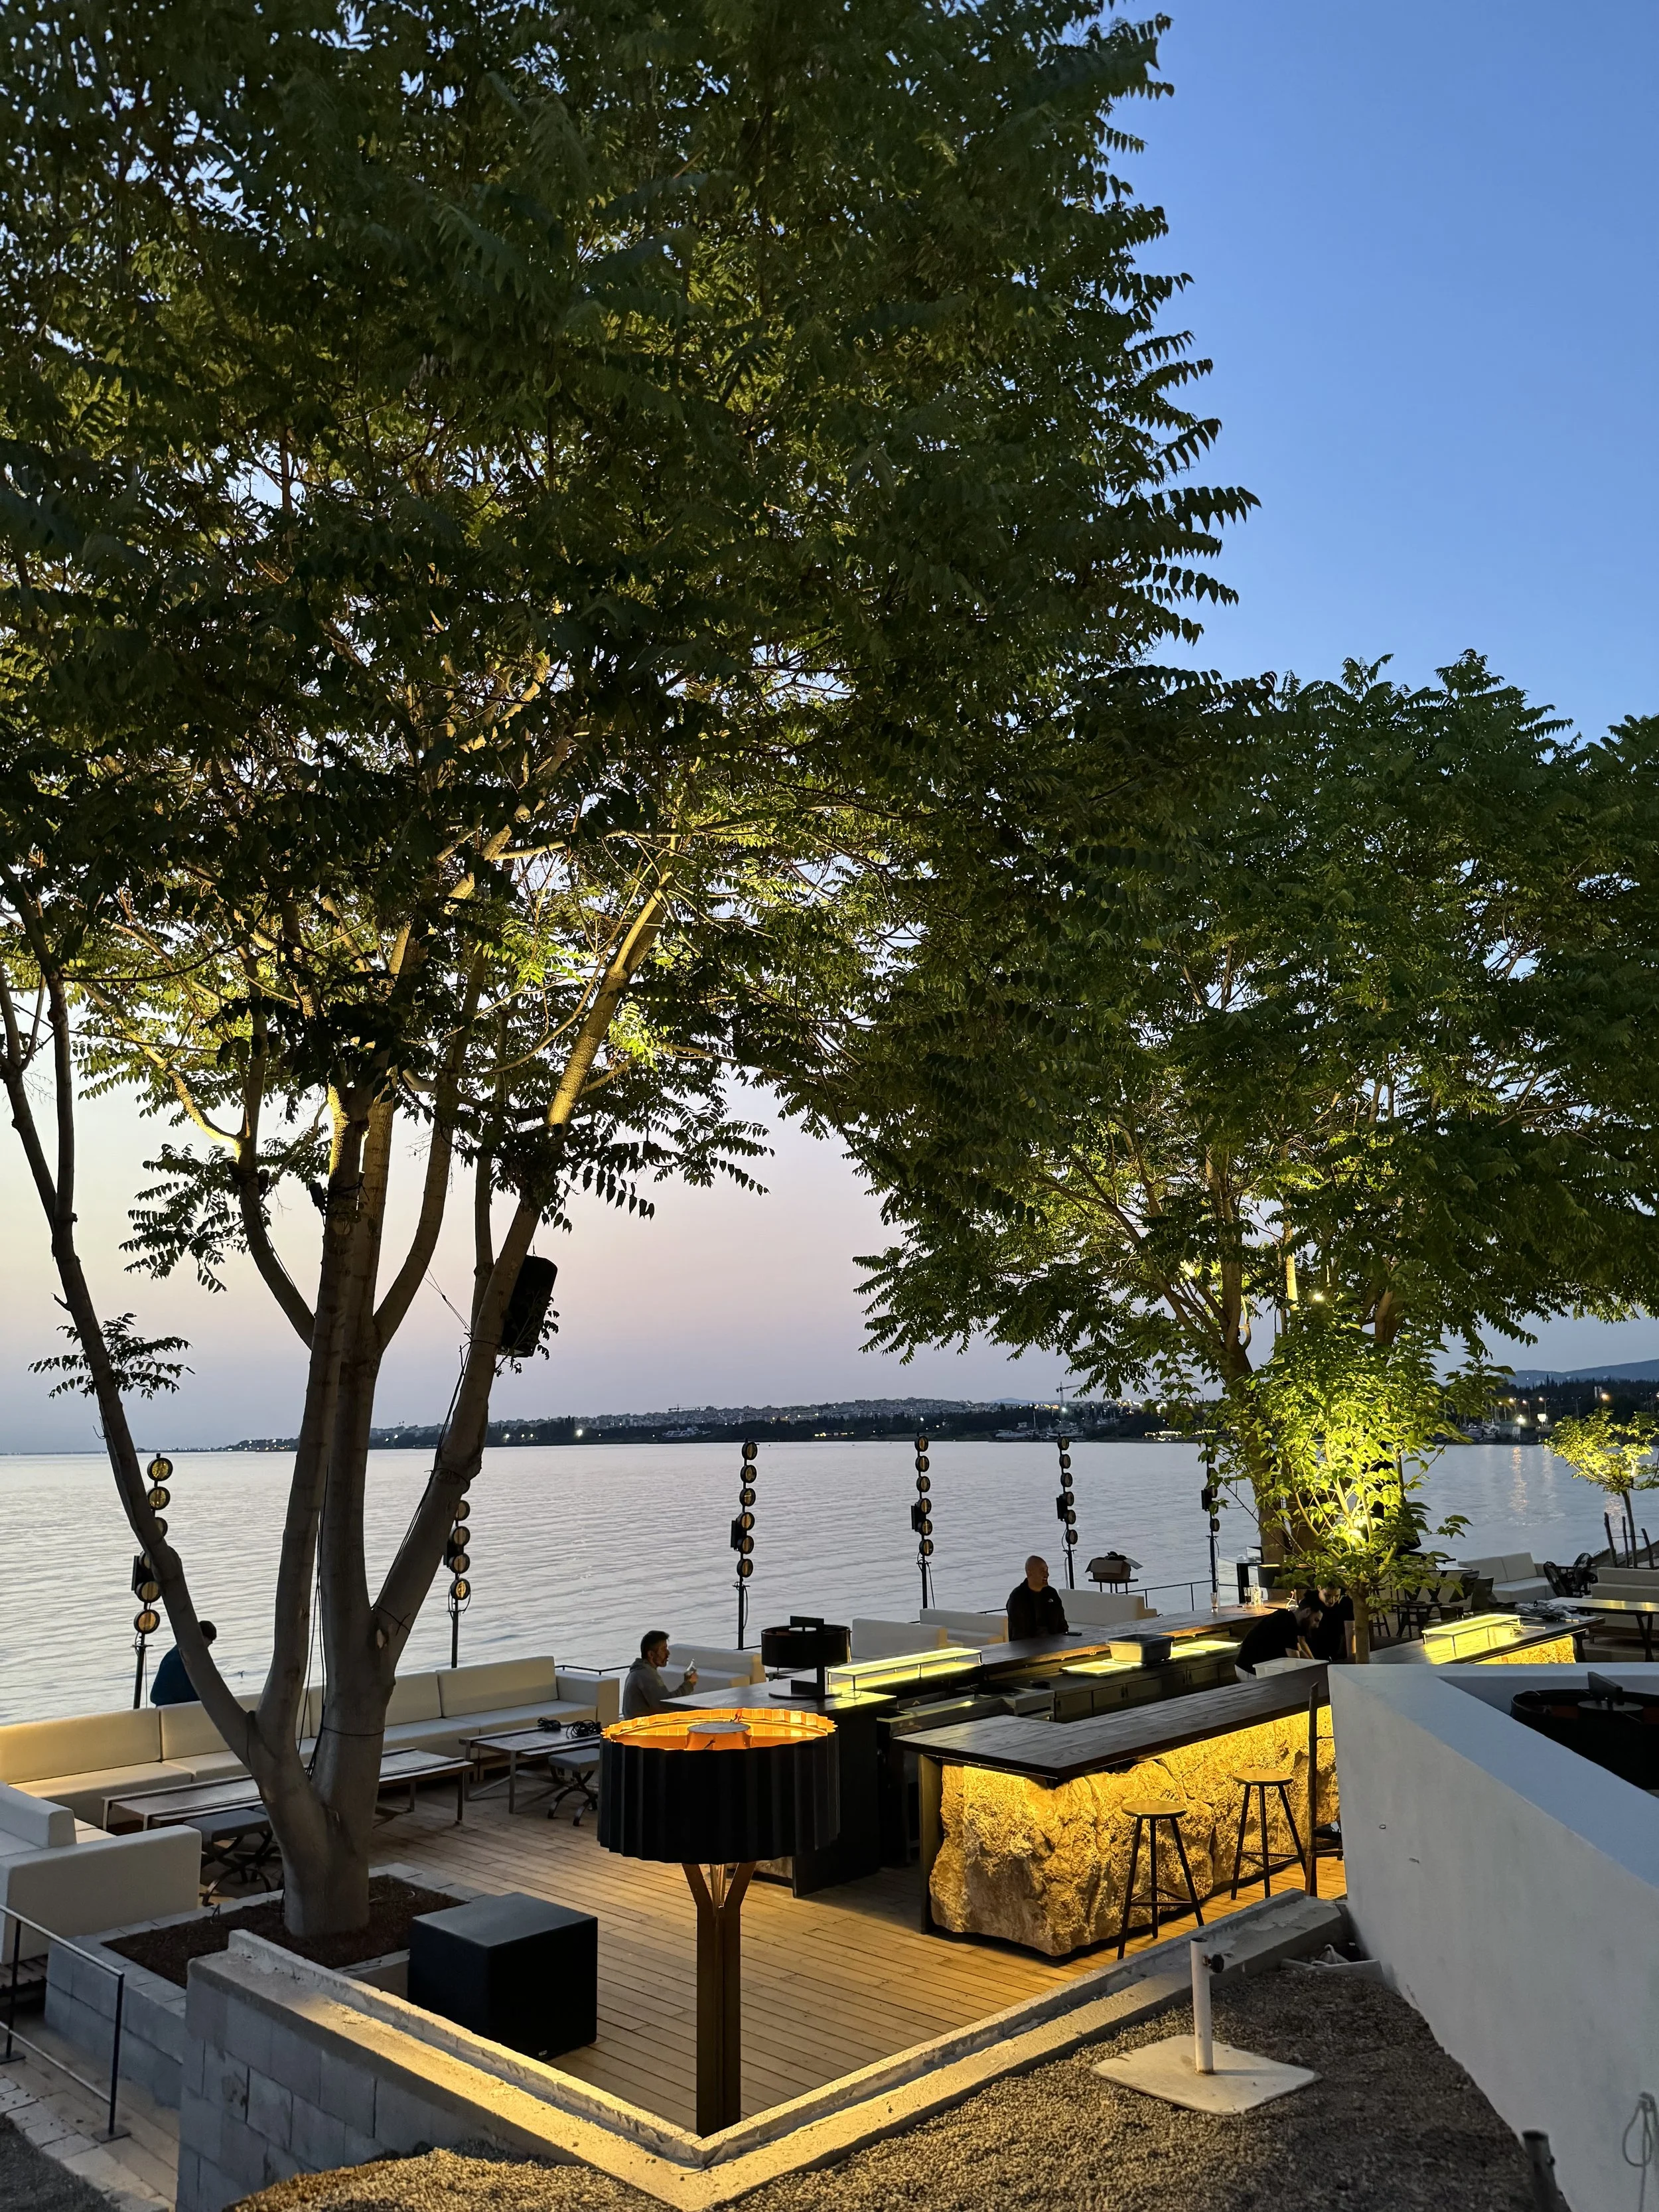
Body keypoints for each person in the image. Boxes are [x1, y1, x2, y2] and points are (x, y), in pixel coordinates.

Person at [620, 1631, 699, 1720]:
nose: (668, 1653)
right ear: (651, 1654)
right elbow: (666, 1705)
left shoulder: (640, 1672)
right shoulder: (646, 1675)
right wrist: (689, 1684)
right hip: (644, 1726)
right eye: (663, 1649)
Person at [1234, 1599, 1322, 1676]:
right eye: (1316, 1620)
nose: (1317, 1626)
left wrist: (1316, 1666)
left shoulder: (1286, 1617)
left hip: (1250, 1666)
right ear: (1307, 1612)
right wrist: (1316, 1671)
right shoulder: (1288, 1622)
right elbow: (1295, 1659)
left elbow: (1300, 1651)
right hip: (1251, 1669)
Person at [150, 1621, 216, 1706]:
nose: (206, 1650)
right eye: (206, 1645)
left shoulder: (179, 1650)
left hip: (165, 1702)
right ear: (201, 1638)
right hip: (174, 1704)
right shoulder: (186, 1658)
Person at [1005, 1556, 1069, 1641]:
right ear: (1029, 1573)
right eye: (1042, 1571)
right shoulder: (1017, 1597)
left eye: (1047, 1570)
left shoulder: (1052, 1593)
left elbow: (1062, 1625)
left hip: (1055, 1643)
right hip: (1027, 1646)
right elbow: (1018, 1633)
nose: (1047, 1574)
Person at [1302, 1585, 1354, 1663]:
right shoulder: (1310, 1601)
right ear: (1319, 1588)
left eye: (1336, 1596)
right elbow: (1301, 1638)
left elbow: (1350, 1630)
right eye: (1328, 1595)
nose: (1331, 1601)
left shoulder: (1345, 1602)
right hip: (1313, 1648)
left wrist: (1351, 1658)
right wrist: (1313, 1662)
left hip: (1337, 1647)